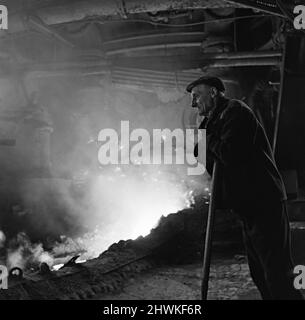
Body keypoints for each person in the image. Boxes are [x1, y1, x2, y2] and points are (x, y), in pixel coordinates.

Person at [186, 76, 304, 300]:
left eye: (197, 96)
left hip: (264, 202)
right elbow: (203, 157)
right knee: (259, 273)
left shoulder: (235, 112)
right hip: (247, 206)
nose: (194, 103)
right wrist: (206, 139)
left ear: (213, 92)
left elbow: (231, 154)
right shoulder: (211, 122)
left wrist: (207, 139)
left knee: (277, 273)